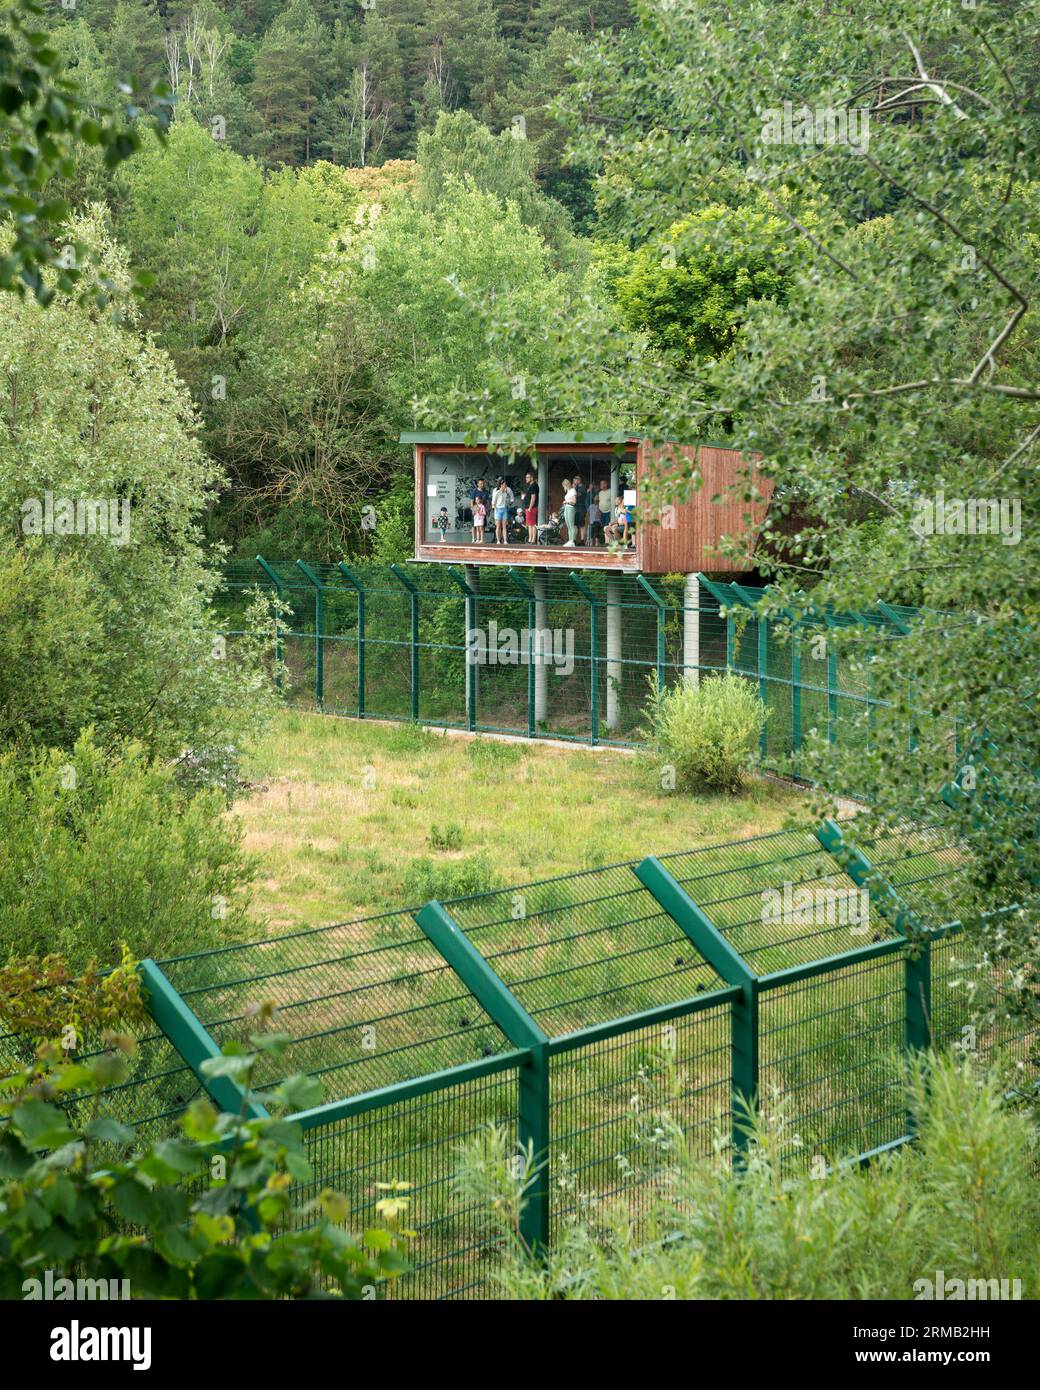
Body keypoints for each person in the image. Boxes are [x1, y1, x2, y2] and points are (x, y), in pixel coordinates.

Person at [491, 476, 515, 545]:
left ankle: (505, 540)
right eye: (504, 485)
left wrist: (509, 503)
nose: (505, 486)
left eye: (506, 484)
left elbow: (511, 499)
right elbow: (493, 502)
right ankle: (498, 540)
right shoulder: (496, 491)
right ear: (501, 485)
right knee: (498, 525)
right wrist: (495, 510)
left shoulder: (506, 491)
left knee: (504, 526)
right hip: (498, 509)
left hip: (504, 509)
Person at [520, 470, 539, 544]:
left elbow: (533, 497)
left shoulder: (534, 485)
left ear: (532, 478)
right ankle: (530, 539)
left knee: (532, 524)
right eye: (526, 477)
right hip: (529, 507)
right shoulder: (531, 486)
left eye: (528, 477)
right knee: (529, 524)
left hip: (531, 508)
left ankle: (532, 539)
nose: (526, 479)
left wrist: (530, 507)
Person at [561, 477, 577, 546]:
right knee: (568, 525)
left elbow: (574, 501)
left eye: (564, 486)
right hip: (566, 508)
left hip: (571, 508)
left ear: (566, 485)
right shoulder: (568, 491)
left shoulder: (573, 490)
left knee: (571, 525)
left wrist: (566, 501)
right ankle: (570, 541)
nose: (563, 487)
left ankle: (572, 541)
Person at [594, 478, 611, 545]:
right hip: (602, 512)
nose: (601, 485)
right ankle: (606, 541)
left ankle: (609, 542)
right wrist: (598, 511)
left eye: (603, 483)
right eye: (601, 484)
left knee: (607, 526)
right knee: (603, 526)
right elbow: (599, 502)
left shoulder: (611, 491)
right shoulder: (600, 493)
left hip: (609, 512)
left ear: (606, 484)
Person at [573, 477, 587, 546]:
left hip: (581, 508)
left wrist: (573, 488)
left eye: (575, 479)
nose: (574, 480)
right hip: (575, 509)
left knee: (581, 525)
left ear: (579, 480)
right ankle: (574, 540)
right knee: (575, 525)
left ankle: (582, 541)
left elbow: (577, 494)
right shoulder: (576, 487)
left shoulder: (583, 487)